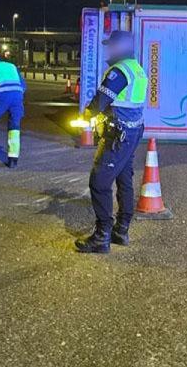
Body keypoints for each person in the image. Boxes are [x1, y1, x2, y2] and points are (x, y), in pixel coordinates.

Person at [75, 30, 147, 254]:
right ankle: (121, 229)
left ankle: (102, 235)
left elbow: (101, 100)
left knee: (99, 181)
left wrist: (86, 115)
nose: (109, 49)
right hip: (133, 132)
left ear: (122, 47)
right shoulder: (137, 69)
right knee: (124, 179)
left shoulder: (120, 71)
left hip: (118, 134)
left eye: (112, 45)